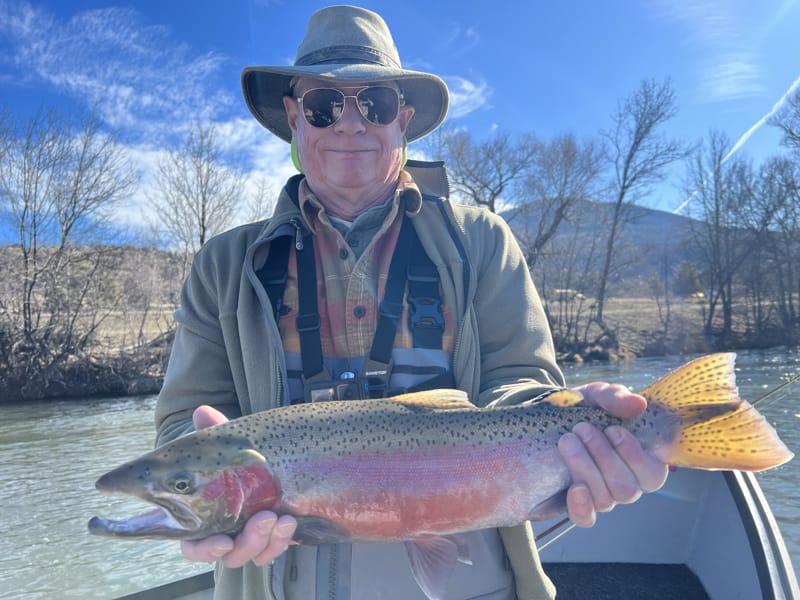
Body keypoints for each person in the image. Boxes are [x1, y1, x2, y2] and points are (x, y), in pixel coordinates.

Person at [154, 5, 668, 599]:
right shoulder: (224, 265)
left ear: (403, 119)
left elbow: (520, 382)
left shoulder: (481, 240)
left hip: (476, 578)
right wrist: (203, 489)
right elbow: (179, 428)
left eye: (371, 103)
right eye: (324, 106)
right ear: (295, 118)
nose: (349, 124)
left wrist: (578, 422)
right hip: (273, 579)